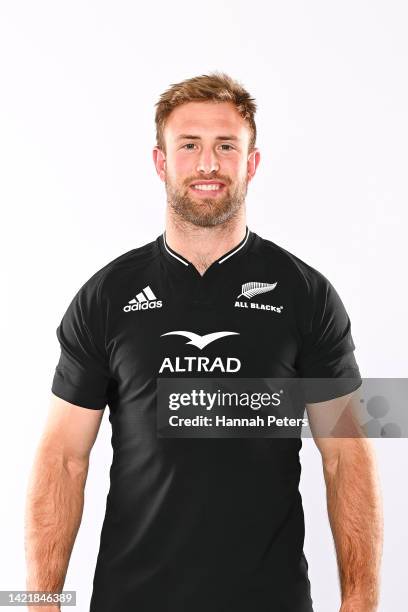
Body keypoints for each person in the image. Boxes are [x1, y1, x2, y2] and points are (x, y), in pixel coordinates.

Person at [25, 72, 383, 612]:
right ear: (161, 162)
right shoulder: (107, 296)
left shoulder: (305, 294)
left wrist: (361, 604)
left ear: (252, 163)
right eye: (188, 145)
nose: (208, 164)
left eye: (226, 146)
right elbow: (63, 458)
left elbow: (346, 456)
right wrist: (38, 603)